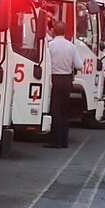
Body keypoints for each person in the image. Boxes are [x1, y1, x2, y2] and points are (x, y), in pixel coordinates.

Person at [45, 21, 83, 149]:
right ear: (65, 32)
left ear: (53, 31)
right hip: (67, 80)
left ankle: (55, 141)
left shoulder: (50, 46)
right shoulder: (71, 47)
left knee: (55, 110)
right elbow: (79, 65)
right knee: (64, 111)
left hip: (54, 79)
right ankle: (64, 140)